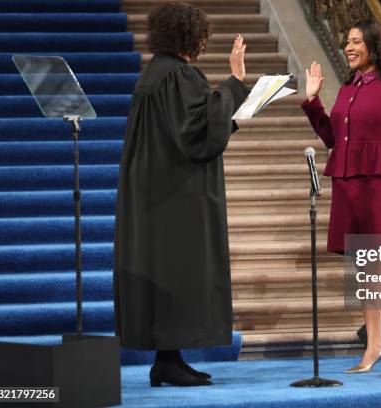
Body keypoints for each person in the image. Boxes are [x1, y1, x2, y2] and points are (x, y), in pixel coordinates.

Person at [113, 2, 249, 387]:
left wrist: (227, 119)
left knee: (167, 273)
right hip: (177, 196)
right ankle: (168, 362)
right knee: (179, 272)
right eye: (202, 34)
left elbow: (189, 129)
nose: (205, 42)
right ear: (188, 36)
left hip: (154, 193)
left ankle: (168, 360)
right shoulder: (180, 76)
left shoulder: (153, 74)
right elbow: (195, 135)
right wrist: (235, 82)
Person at [301, 19, 381, 378]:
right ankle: (374, 344)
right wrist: (312, 102)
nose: (348, 48)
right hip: (349, 186)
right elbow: (333, 139)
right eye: (347, 42)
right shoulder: (348, 88)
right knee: (364, 266)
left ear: (373, 44)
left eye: (356, 41)